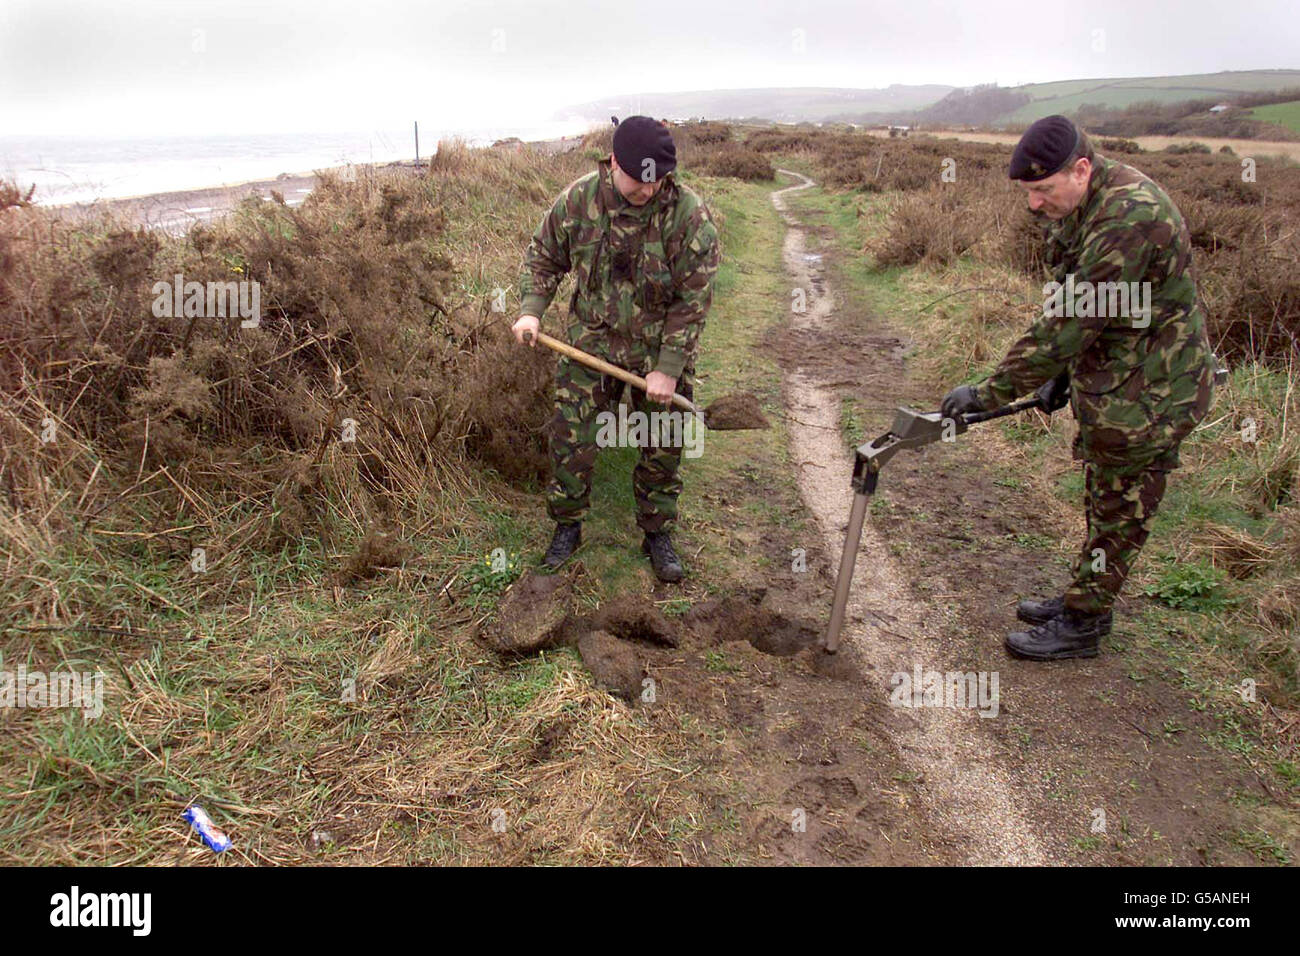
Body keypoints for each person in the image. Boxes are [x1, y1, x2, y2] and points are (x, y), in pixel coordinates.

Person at [940, 114, 1214, 661]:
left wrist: (989, 393)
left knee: (1120, 505)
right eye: (1028, 193)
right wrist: (1062, 377)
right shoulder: (1087, 205)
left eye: (1043, 191)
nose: (1034, 205)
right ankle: (1082, 598)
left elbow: (1068, 323)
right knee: (1103, 495)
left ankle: (1085, 622)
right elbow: (1087, 307)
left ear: (1082, 169)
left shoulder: (1130, 218)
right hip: (1118, 375)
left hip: (1154, 389)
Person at [512, 116, 720, 582]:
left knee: (663, 439)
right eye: (639, 180)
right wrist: (531, 309)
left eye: (658, 181)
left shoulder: (688, 216)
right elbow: (544, 256)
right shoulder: (579, 201)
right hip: (590, 343)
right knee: (571, 436)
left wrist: (668, 368)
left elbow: (694, 299)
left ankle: (657, 531)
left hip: (656, 351)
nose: (649, 191)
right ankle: (567, 526)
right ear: (613, 164)